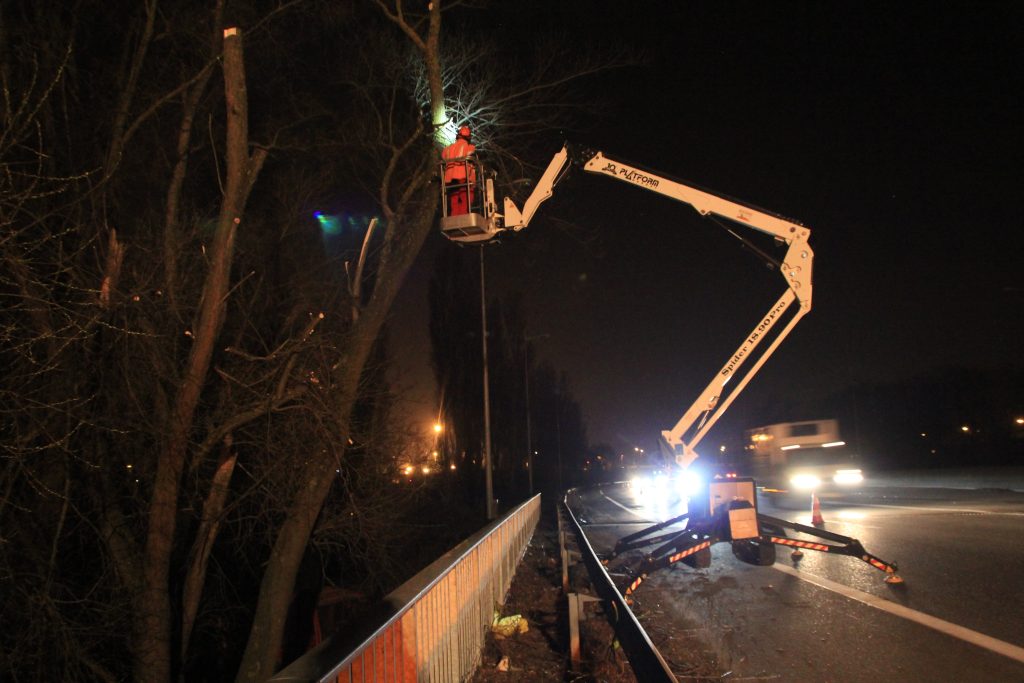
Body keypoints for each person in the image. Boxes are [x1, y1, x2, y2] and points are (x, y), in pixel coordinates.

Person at [442, 125, 477, 215]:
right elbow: (471, 162)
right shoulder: (470, 148)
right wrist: (473, 181)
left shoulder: (448, 149)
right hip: (464, 177)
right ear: (468, 137)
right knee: (466, 199)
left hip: (451, 179)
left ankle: (455, 218)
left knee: (454, 200)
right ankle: (464, 218)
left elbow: (443, 156)